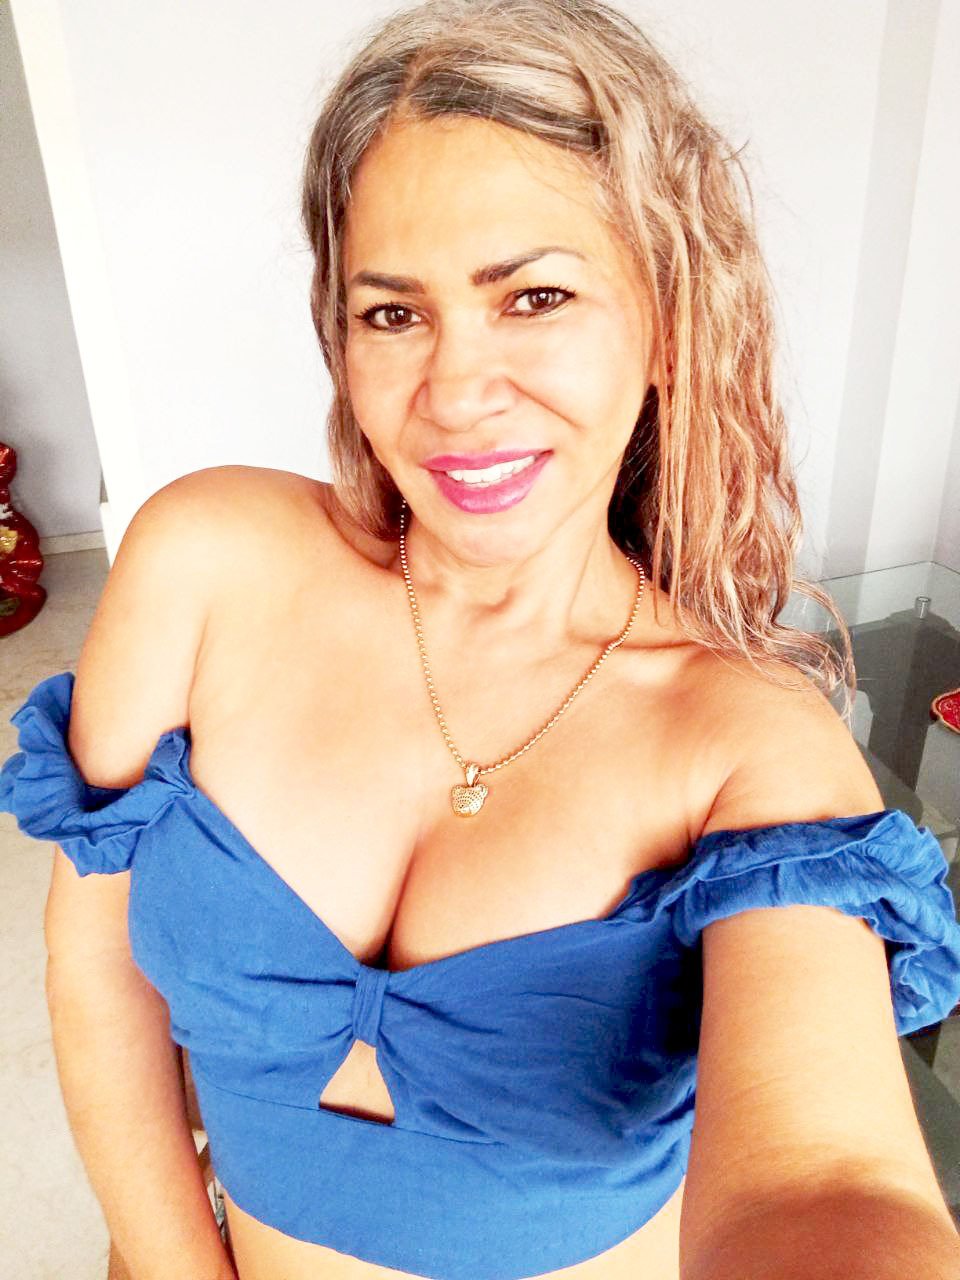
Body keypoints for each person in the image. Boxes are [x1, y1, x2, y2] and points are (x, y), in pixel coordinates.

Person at [3, 1, 960, 1277]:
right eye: (392, 314)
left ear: (670, 320)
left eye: (537, 296)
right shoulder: (206, 562)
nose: (455, 393)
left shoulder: (747, 746)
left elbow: (827, 1176)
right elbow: (93, 960)